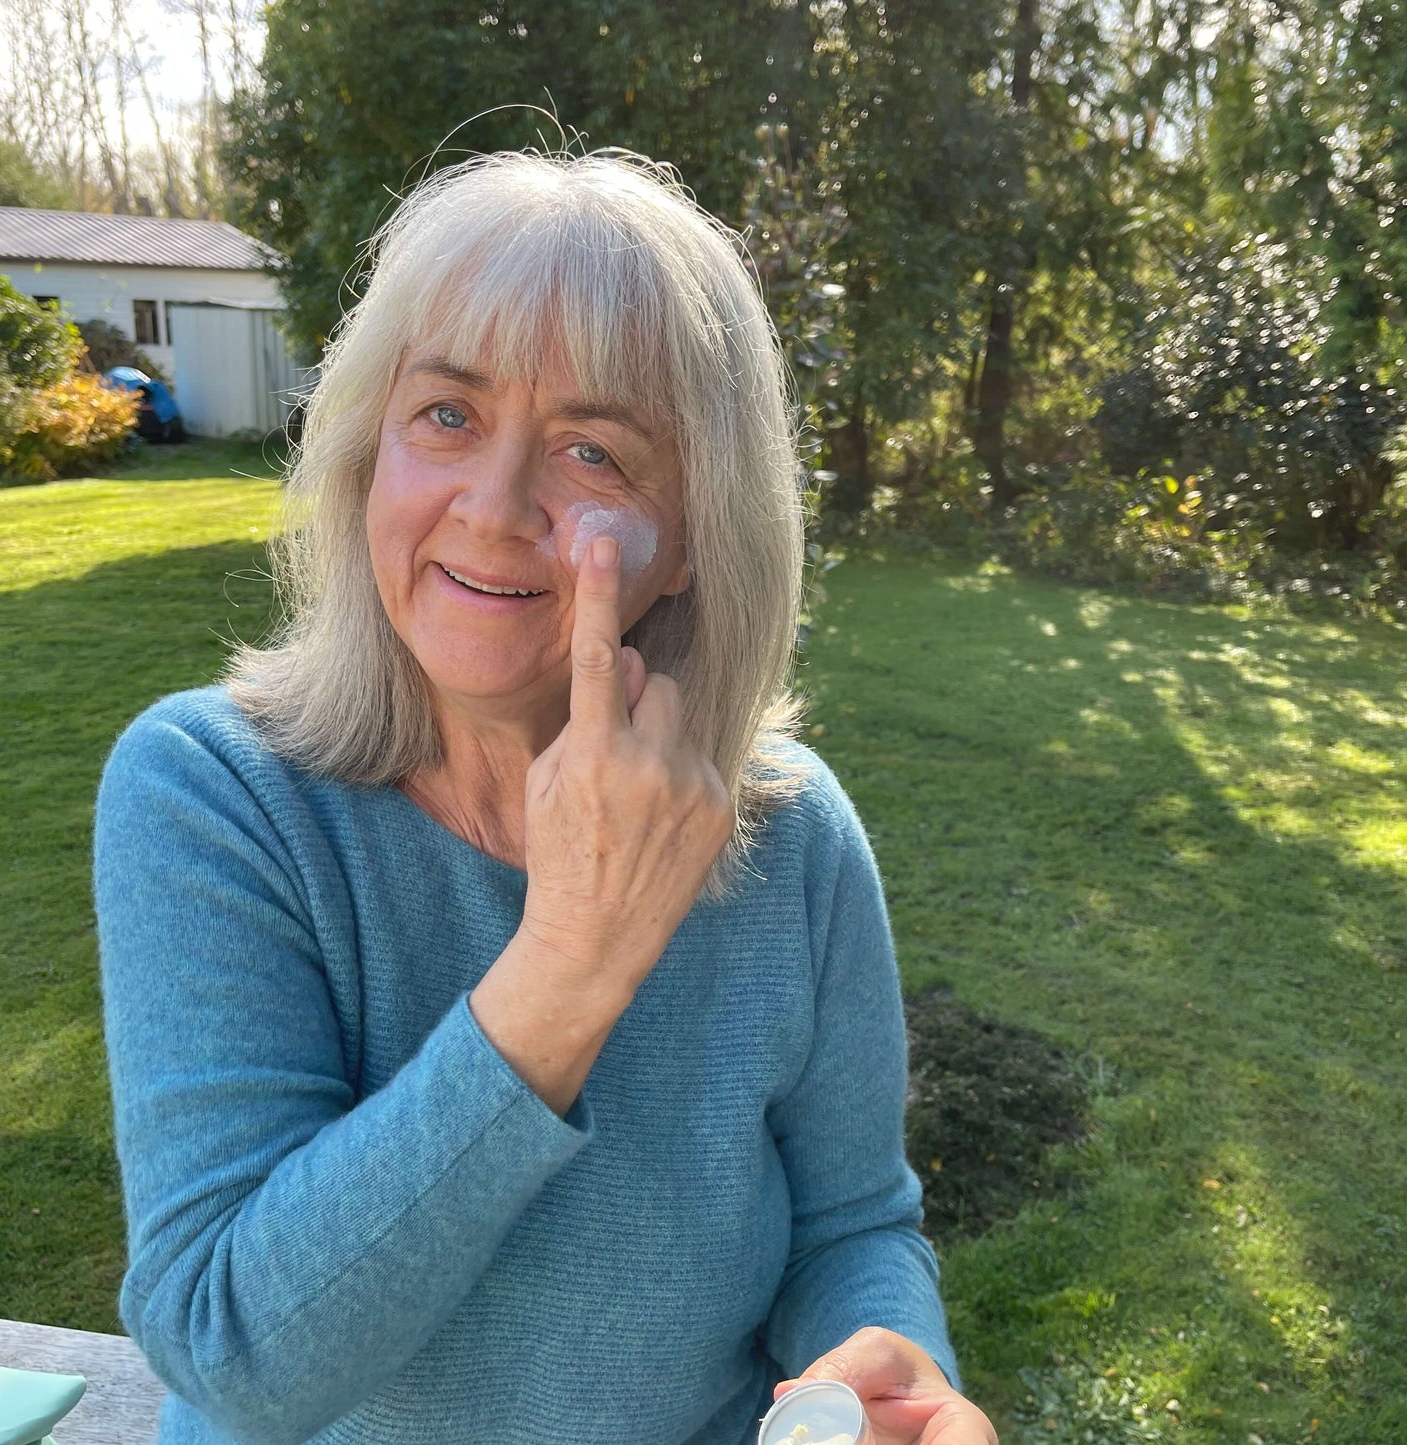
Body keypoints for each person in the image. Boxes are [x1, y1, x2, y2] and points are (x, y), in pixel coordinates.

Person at [93, 150, 998, 1445]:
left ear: (689, 533)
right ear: (366, 453)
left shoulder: (788, 834)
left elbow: (850, 1223)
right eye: (446, 414)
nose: (496, 504)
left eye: (590, 448)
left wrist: (892, 1362)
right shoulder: (216, 795)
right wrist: (570, 963)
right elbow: (231, 1348)